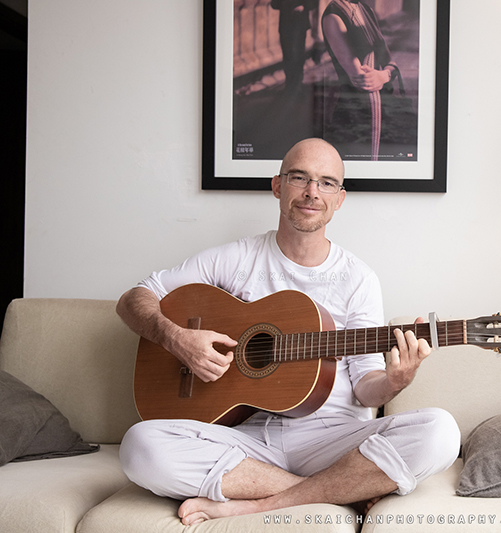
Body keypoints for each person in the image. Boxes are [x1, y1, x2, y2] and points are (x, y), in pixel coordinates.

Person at [116, 138, 460, 525]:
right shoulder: (238, 258)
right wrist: (177, 338)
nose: (312, 192)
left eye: (327, 183)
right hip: (244, 439)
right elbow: (134, 298)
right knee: (139, 446)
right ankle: (332, 490)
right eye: (300, 178)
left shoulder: (358, 278)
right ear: (278, 186)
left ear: (340, 199)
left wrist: (396, 381)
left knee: (440, 432)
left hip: (330, 438)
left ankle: (260, 503)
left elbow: (366, 386)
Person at [320, 0, 414, 160]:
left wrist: (384, 75)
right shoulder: (333, 16)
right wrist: (385, 74)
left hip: (386, 106)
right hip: (356, 113)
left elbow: (389, 61)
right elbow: (362, 79)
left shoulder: (366, 10)